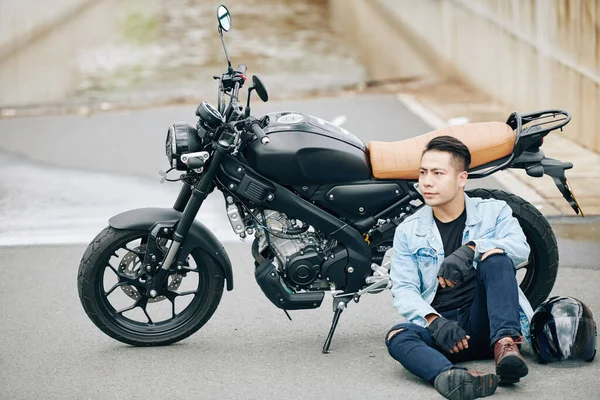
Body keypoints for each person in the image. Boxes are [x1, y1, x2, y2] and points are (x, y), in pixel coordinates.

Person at [385, 135, 532, 400]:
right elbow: (404, 288)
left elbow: (521, 250)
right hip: (448, 336)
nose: (426, 182)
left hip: (487, 323)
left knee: (496, 257)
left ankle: (506, 347)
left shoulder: (494, 212)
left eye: (438, 173)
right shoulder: (409, 231)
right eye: (423, 173)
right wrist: (434, 321)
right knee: (397, 336)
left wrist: (472, 250)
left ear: (461, 178)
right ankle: (453, 376)